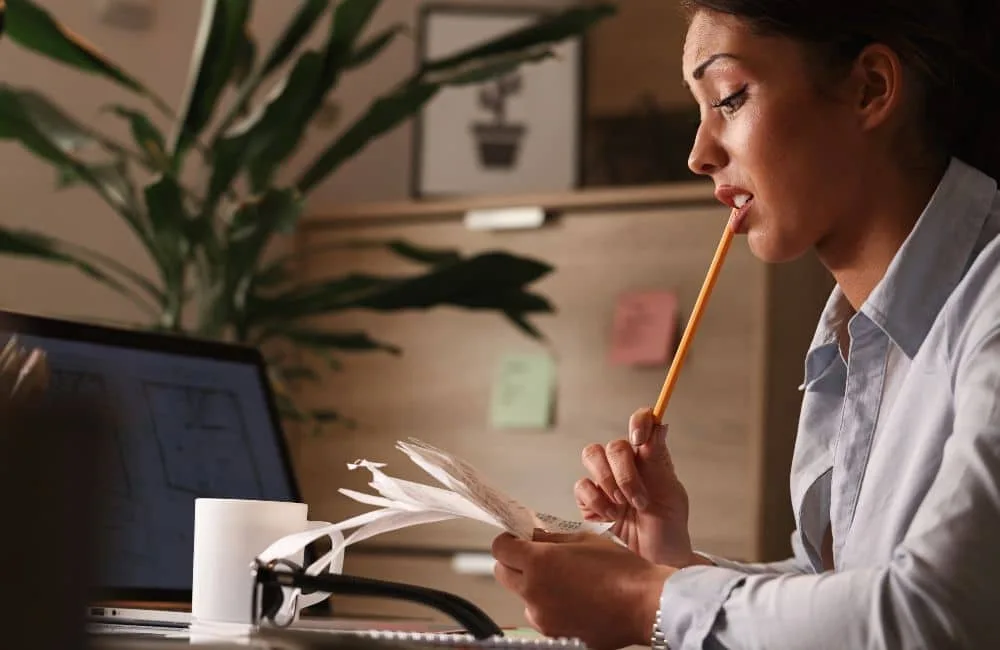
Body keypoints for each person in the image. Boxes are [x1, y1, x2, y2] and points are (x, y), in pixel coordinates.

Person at [490, 0, 1000, 648]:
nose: (699, 154)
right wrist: (670, 566)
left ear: (870, 88)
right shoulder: (851, 338)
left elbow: (937, 615)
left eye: (729, 99)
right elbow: (845, 590)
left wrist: (642, 600)